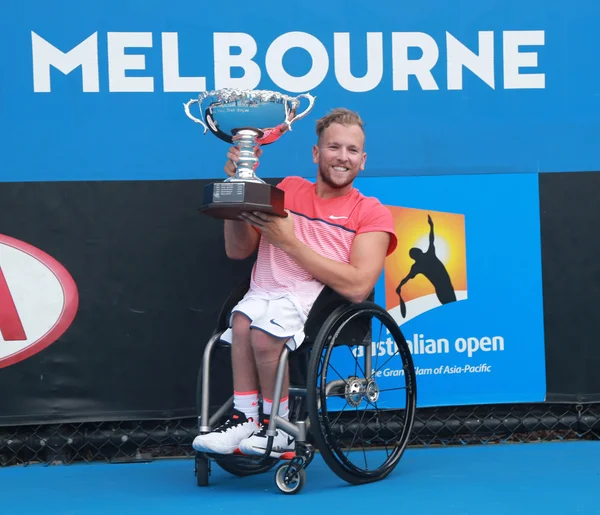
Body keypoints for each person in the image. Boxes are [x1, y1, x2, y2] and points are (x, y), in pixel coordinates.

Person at [192, 108, 398, 458]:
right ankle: (246, 419)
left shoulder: (371, 212)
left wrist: (289, 241)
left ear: (362, 161)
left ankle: (279, 428)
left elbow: (358, 286)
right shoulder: (287, 190)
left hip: (314, 304)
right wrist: (239, 192)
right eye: (334, 147)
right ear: (316, 153)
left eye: (351, 151)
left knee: (261, 333)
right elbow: (238, 249)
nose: (342, 157)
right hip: (264, 291)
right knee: (241, 322)